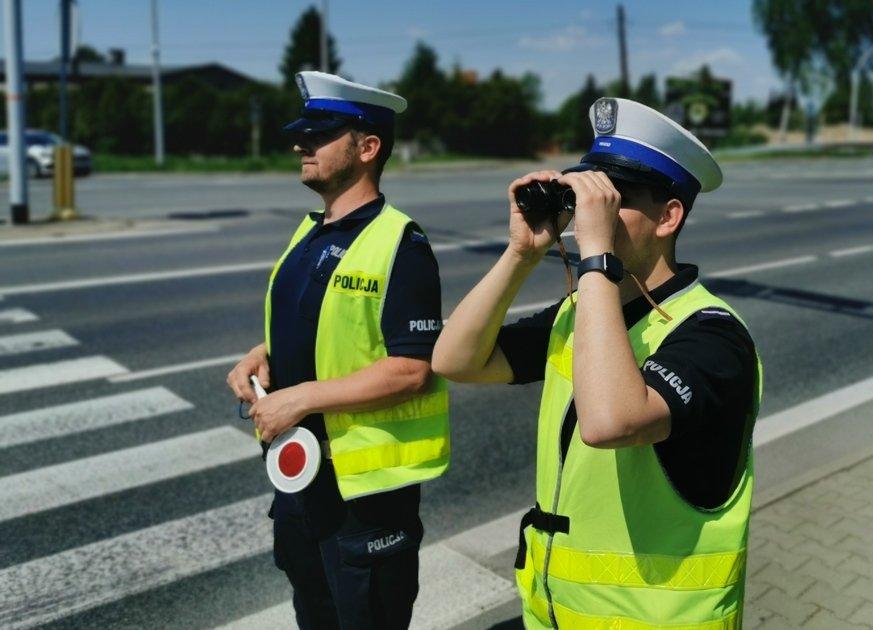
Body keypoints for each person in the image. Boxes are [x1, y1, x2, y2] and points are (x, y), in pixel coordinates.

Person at [432, 97, 761, 627]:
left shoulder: (713, 336)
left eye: (613, 199)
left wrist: (595, 258)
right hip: (556, 611)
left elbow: (609, 423)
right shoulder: (583, 313)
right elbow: (456, 360)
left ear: (668, 216)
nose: (592, 212)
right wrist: (522, 252)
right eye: (584, 194)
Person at [225, 71, 449, 629]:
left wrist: (299, 400)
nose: (302, 144)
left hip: (365, 497)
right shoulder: (312, 231)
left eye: (319, 134)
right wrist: (264, 353)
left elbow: (411, 369)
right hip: (303, 481)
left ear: (367, 148)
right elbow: (325, 321)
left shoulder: (402, 243)